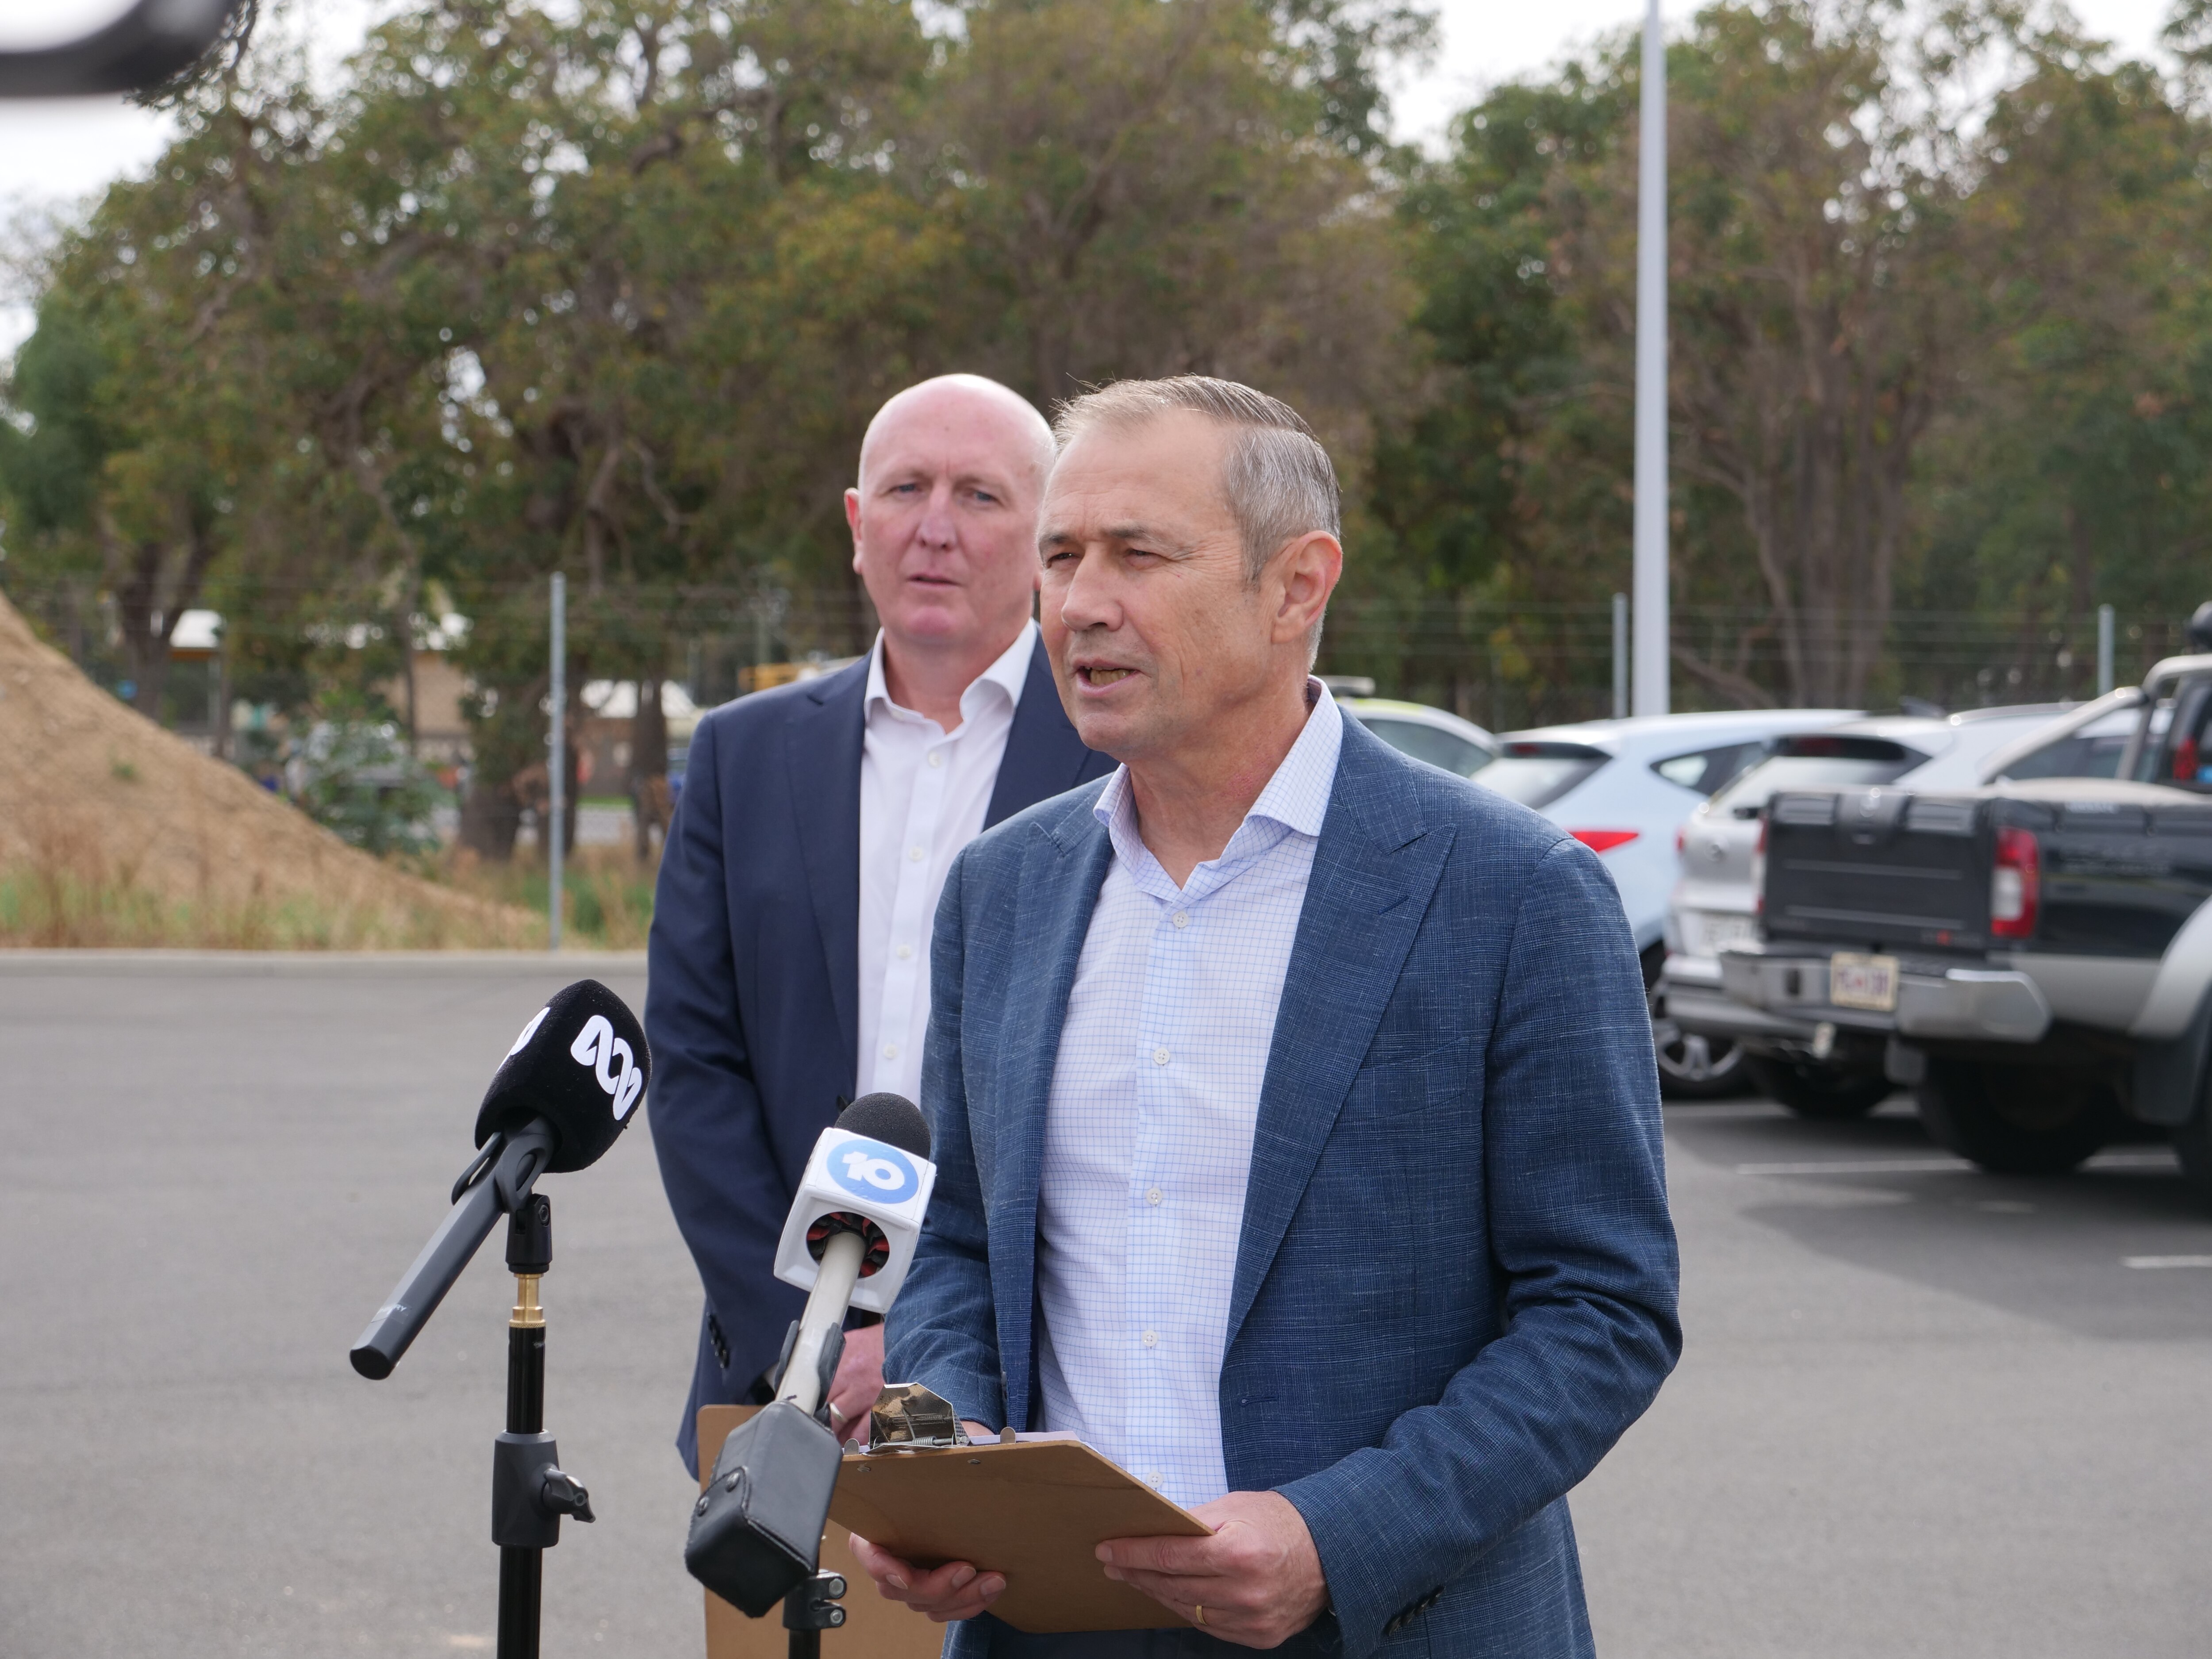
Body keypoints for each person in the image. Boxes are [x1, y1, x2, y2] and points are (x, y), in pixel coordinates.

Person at [852, 376, 1681, 1656]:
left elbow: (1603, 1308)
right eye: (1063, 555)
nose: (1081, 603)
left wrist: (1336, 1532)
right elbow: (957, 1240)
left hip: (1391, 1621)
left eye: (1140, 554)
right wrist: (952, 1455)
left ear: (1298, 585)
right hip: (1049, 1628)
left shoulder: (1515, 892)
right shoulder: (1001, 889)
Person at [646, 374, 1114, 1476]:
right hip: (776, 1390)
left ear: (1048, 538)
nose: (936, 528)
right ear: (859, 527)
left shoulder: (1120, 755)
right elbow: (694, 1066)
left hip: (1041, 1393)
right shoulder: (741, 757)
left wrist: (924, 1341)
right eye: (906, 488)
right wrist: (808, 1337)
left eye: (981, 497)